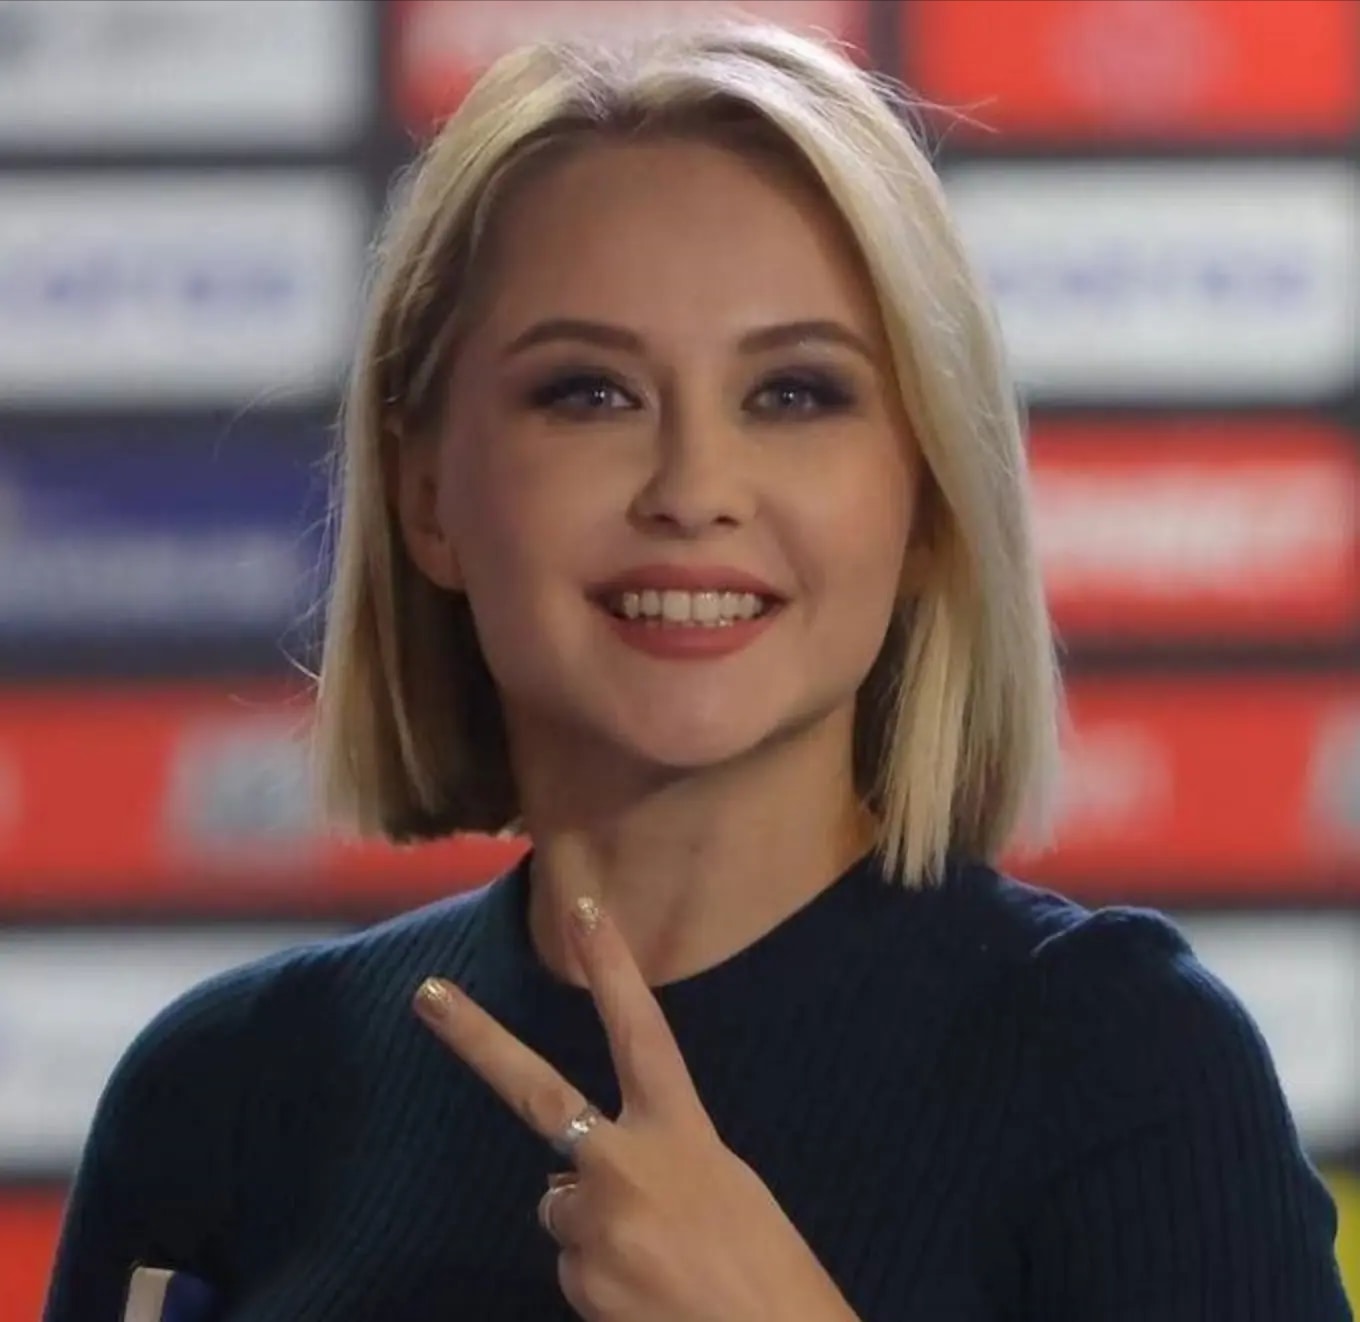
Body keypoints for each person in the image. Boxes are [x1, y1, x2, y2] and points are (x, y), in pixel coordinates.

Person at [44, 20, 1350, 1322]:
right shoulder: (222, 1093)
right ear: (427, 493)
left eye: (794, 393)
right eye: (589, 393)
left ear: (930, 502)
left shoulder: (1124, 1071)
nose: (692, 488)